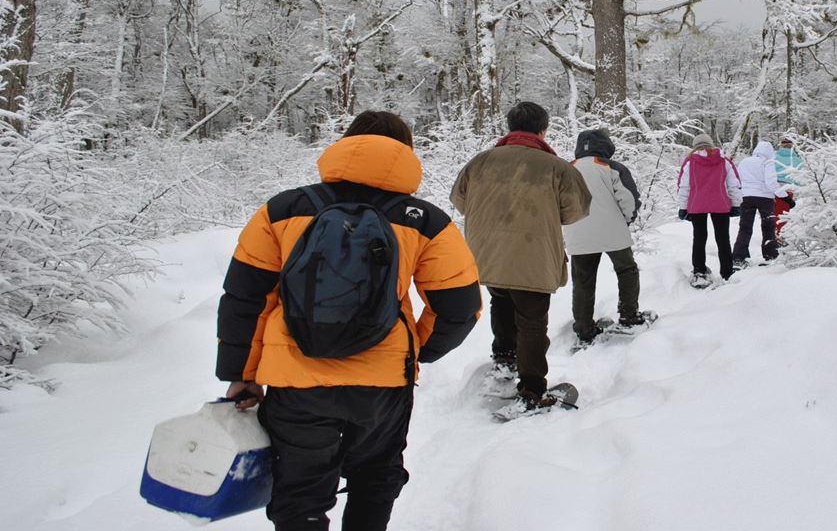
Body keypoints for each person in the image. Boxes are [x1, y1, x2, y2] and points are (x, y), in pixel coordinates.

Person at [217, 110, 482, 531]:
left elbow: (246, 299)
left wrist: (241, 374)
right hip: (383, 382)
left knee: (300, 491)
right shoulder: (426, 221)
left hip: (295, 380)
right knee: (375, 476)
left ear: (347, 144)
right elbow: (458, 306)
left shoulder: (283, 210)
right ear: (405, 152)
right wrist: (417, 351)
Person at [450, 101, 592, 411]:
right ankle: (531, 390)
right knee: (532, 320)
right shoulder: (556, 167)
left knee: (501, 301)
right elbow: (576, 210)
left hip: (487, 252)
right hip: (533, 254)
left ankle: (504, 361)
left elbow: (460, 200)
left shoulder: (480, 162)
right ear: (543, 130)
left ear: (510, 127)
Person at [563, 128, 649, 346]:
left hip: (578, 232)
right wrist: (627, 219)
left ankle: (584, 328)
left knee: (583, 280)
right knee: (627, 270)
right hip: (613, 231)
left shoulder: (566, 169)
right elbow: (628, 198)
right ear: (605, 145)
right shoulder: (611, 167)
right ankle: (629, 316)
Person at [676, 133, 742, 287]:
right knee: (723, 238)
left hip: (697, 205)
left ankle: (699, 272)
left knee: (699, 238)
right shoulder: (723, 161)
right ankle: (727, 271)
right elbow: (734, 184)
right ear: (711, 144)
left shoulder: (690, 162)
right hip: (720, 204)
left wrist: (683, 207)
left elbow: (684, 186)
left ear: (695, 146)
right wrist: (736, 204)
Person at [731, 140, 790, 268]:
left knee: (745, 228)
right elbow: (771, 183)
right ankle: (770, 254)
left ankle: (738, 257)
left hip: (746, 197)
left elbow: (737, 180)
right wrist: (785, 197)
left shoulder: (744, 162)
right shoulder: (768, 163)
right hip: (765, 199)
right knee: (768, 227)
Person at [773, 138, 803, 241]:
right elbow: (801, 175)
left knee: (774, 212)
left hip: (775, 186)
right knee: (783, 213)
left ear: (781, 145)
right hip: (789, 188)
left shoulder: (774, 157)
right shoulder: (797, 159)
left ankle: (774, 234)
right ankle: (780, 235)